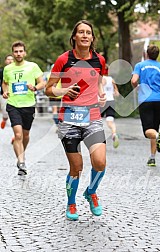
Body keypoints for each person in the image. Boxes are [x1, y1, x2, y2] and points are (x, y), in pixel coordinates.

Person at [45, 20, 107, 220]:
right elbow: (48, 89)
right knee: (76, 167)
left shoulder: (100, 60)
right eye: (81, 32)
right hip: (69, 118)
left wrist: (100, 93)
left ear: (92, 37)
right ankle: (71, 204)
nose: (85, 35)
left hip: (93, 117)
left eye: (88, 32)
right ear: (74, 37)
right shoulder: (63, 60)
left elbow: (99, 80)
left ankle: (91, 192)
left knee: (100, 162)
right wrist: (64, 90)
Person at [2, 41, 45, 175]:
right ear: (13, 53)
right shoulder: (8, 68)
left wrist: (35, 88)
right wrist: (5, 91)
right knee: (18, 134)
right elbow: (4, 83)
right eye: (16, 51)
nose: (18, 54)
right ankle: (21, 162)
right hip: (13, 104)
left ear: (25, 53)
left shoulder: (32, 66)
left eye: (21, 51)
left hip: (29, 105)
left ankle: (21, 153)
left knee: (25, 135)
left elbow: (42, 82)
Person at [131, 44, 160, 167]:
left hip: (145, 100)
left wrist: (137, 88)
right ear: (157, 54)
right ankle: (152, 158)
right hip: (159, 100)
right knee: (154, 128)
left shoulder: (140, 65)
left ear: (146, 53)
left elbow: (134, 80)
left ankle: (159, 136)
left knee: (148, 131)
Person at [101, 65, 119, 148]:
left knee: (96, 121)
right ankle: (114, 133)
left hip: (102, 102)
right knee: (110, 121)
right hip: (111, 101)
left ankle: (98, 138)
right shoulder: (112, 80)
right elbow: (117, 93)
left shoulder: (101, 79)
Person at [0, 54, 14, 129]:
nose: (10, 61)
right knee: (5, 112)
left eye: (11, 59)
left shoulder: (17, 71)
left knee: (15, 115)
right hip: (4, 94)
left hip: (15, 95)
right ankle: (4, 119)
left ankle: (16, 135)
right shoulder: (2, 71)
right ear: (5, 61)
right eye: (8, 59)